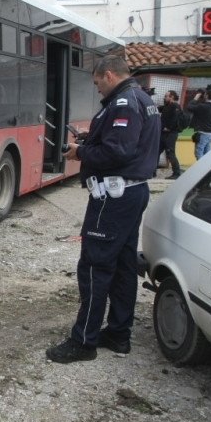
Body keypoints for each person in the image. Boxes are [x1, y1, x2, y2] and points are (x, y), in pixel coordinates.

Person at [46, 55, 161, 363]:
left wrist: (81, 152)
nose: (97, 88)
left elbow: (118, 151)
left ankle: (84, 342)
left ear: (109, 75)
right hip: (131, 193)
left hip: (113, 198)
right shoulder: (141, 99)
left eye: (98, 82)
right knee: (124, 265)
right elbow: (127, 143)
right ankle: (119, 334)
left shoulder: (123, 103)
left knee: (95, 267)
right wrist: (92, 138)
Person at [184, 88, 211, 160]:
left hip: (203, 133)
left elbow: (189, 107)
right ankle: (208, 166)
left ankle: (201, 166)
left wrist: (196, 97)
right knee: (207, 152)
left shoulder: (204, 106)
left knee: (199, 152)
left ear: (207, 96)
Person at [159, 90, 183, 179]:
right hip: (164, 133)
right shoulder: (166, 106)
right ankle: (152, 171)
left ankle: (176, 172)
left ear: (171, 97)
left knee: (170, 153)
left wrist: (169, 127)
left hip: (171, 134)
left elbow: (175, 118)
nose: (164, 98)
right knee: (157, 151)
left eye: (166, 96)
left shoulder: (175, 106)